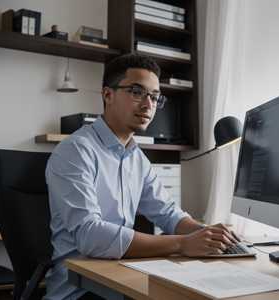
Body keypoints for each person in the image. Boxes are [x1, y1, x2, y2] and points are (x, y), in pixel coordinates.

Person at [44, 53, 239, 300]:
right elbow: (89, 236)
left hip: (120, 277)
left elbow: (169, 214)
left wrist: (209, 235)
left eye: (155, 97)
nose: (148, 105)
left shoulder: (137, 158)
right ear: (107, 95)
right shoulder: (76, 151)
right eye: (137, 92)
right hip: (80, 290)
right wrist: (182, 243)